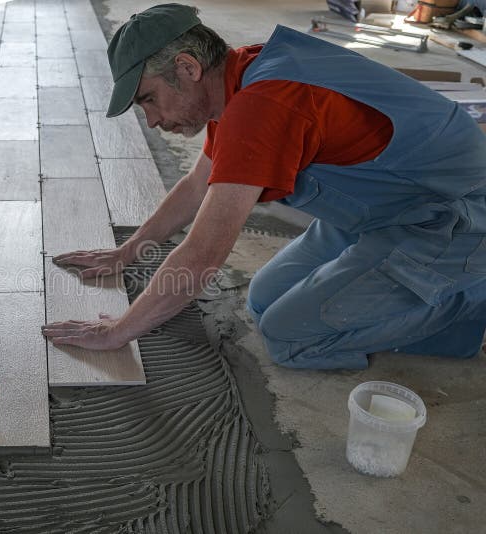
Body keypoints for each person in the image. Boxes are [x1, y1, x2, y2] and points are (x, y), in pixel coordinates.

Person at [41, 3, 486, 369]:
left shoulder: (264, 103)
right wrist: (129, 249)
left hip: (452, 215)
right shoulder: (238, 78)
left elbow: (201, 259)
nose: (153, 121)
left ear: (187, 67)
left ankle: (463, 301)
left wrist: (117, 332)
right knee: (264, 300)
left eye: (149, 99)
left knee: (290, 338)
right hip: (386, 206)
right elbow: (198, 185)